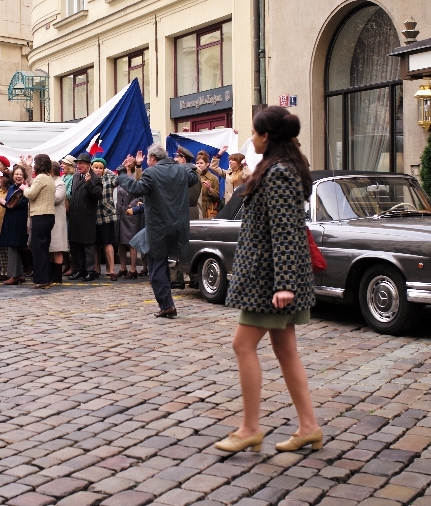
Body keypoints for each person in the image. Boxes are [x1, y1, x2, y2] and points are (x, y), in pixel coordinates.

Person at [213, 105, 321, 454]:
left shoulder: (278, 173)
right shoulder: (277, 168)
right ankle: (308, 427)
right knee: (285, 350)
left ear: (268, 136)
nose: (252, 138)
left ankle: (249, 427)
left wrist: (285, 283)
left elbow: (287, 230)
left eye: (256, 132)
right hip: (271, 278)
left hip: (269, 280)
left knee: (242, 345)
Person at [118, 144, 199, 318]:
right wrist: (180, 164)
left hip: (158, 227)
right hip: (177, 225)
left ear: (153, 159)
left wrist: (123, 174)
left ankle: (167, 305)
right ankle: (167, 303)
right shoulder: (180, 171)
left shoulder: (151, 173)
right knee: (161, 266)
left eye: (148, 159)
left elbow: (136, 189)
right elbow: (193, 176)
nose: (147, 161)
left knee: (156, 268)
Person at [23, 154, 57, 289]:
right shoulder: (49, 178)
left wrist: (24, 189)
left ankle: (41, 279)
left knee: (38, 249)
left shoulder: (41, 178)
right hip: (49, 216)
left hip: (40, 216)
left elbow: (31, 194)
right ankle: (46, 277)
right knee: (44, 248)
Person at [67, 153, 102, 281]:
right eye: (78, 163)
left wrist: (88, 184)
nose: (78, 165)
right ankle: (80, 269)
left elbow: (98, 194)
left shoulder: (95, 178)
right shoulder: (76, 176)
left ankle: (90, 271)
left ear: (88, 165)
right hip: (75, 217)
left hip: (87, 218)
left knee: (88, 246)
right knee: (76, 245)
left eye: (81, 163)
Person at [0, 165, 30, 285]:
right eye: (16, 174)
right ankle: (20, 273)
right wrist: (4, 203)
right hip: (10, 218)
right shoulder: (12, 187)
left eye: (20, 174)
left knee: (14, 246)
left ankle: (14, 275)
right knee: (12, 246)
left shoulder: (24, 188)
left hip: (19, 219)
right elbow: (8, 203)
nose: (18, 176)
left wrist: (6, 202)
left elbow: (22, 203)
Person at [91, 158, 118, 280]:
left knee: (107, 243)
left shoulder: (108, 179)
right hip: (93, 215)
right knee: (95, 245)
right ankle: (96, 268)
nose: (98, 170)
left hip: (106, 215)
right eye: (96, 167)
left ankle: (111, 270)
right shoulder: (90, 180)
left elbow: (118, 179)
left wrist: (107, 170)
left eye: (100, 168)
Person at [116, 181, 143, 279]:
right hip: (120, 214)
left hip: (131, 214)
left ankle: (133, 269)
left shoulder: (136, 177)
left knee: (131, 242)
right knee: (120, 242)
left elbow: (141, 194)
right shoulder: (120, 179)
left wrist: (133, 204)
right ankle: (123, 268)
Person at [49, 163, 69, 284]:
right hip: (50, 220)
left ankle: (57, 276)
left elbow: (56, 198)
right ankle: (52, 274)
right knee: (51, 248)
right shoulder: (51, 183)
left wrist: (45, 190)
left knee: (57, 249)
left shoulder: (60, 183)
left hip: (57, 221)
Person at [60, 155, 78, 276]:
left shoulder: (72, 178)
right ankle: (66, 264)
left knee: (69, 240)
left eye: (64, 163)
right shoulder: (63, 177)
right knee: (62, 240)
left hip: (67, 212)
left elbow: (69, 194)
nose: (62, 165)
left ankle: (72, 265)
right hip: (61, 211)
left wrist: (60, 191)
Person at [174, 146, 201, 220]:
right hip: (194, 211)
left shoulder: (182, 174)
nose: (174, 159)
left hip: (183, 212)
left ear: (183, 160)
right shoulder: (196, 173)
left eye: (177, 157)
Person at [195, 151, 221, 219]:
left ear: (207, 164)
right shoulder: (193, 176)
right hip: (195, 209)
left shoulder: (213, 178)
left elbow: (217, 197)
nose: (198, 165)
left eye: (201, 163)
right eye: (197, 163)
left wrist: (210, 189)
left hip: (207, 210)